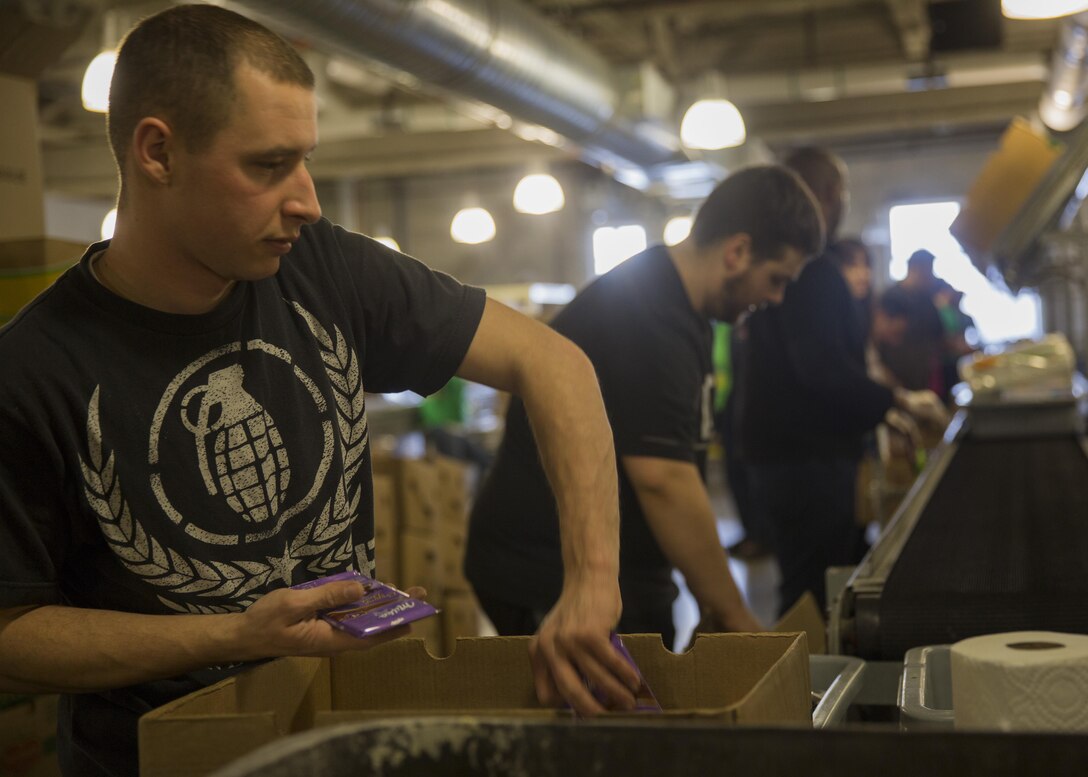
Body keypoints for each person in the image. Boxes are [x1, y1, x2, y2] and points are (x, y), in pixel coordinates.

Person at [0, 7, 642, 776]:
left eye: (305, 159)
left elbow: (553, 362)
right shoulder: (32, 369)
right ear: (157, 152)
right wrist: (239, 633)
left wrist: (592, 583)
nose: (306, 198)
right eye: (269, 165)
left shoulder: (323, 268)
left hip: (343, 736)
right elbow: (12, 632)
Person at [464, 165, 826, 650]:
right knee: (609, 718)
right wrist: (731, 612)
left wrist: (709, 599)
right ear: (738, 253)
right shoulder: (648, 314)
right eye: (777, 278)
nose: (776, 298)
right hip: (542, 568)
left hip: (616, 568)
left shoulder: (682, 307)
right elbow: (664, 481)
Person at [738, 148, 947, 616]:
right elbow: (823, 369)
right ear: (832, 194)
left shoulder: (792, 266)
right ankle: (805, 687)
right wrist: (896, 401)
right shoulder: (812, 272)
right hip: (805, 461)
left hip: (787, 456)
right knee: (812, 596)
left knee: (820, 584)